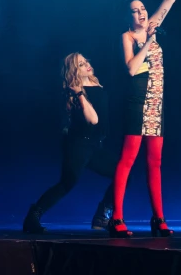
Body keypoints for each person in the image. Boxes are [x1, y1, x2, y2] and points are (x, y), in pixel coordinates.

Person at [109, 0, 181, 238]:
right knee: (128, 159)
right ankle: (116, 217)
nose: (142, 14)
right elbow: (131, 68)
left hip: (156, 102)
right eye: (135, 11)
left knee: (154, 162)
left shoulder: (153, 23)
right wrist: (147, 41)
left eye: (143, 9)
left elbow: (169, 1)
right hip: (138, 99)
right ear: (128, 16)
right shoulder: (128, 36)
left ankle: (158, 218)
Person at [23, 52, 118, 234]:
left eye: (86, 61)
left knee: (123, 174)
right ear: (74, 70)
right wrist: (80, 94)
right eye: (81, 64)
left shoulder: (95, 82)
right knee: (67, 183)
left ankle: (102, 214)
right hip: (78, 145)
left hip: (95, 145)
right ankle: (33, 216)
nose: (87, 65)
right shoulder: (74, 91)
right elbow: (93, 120)